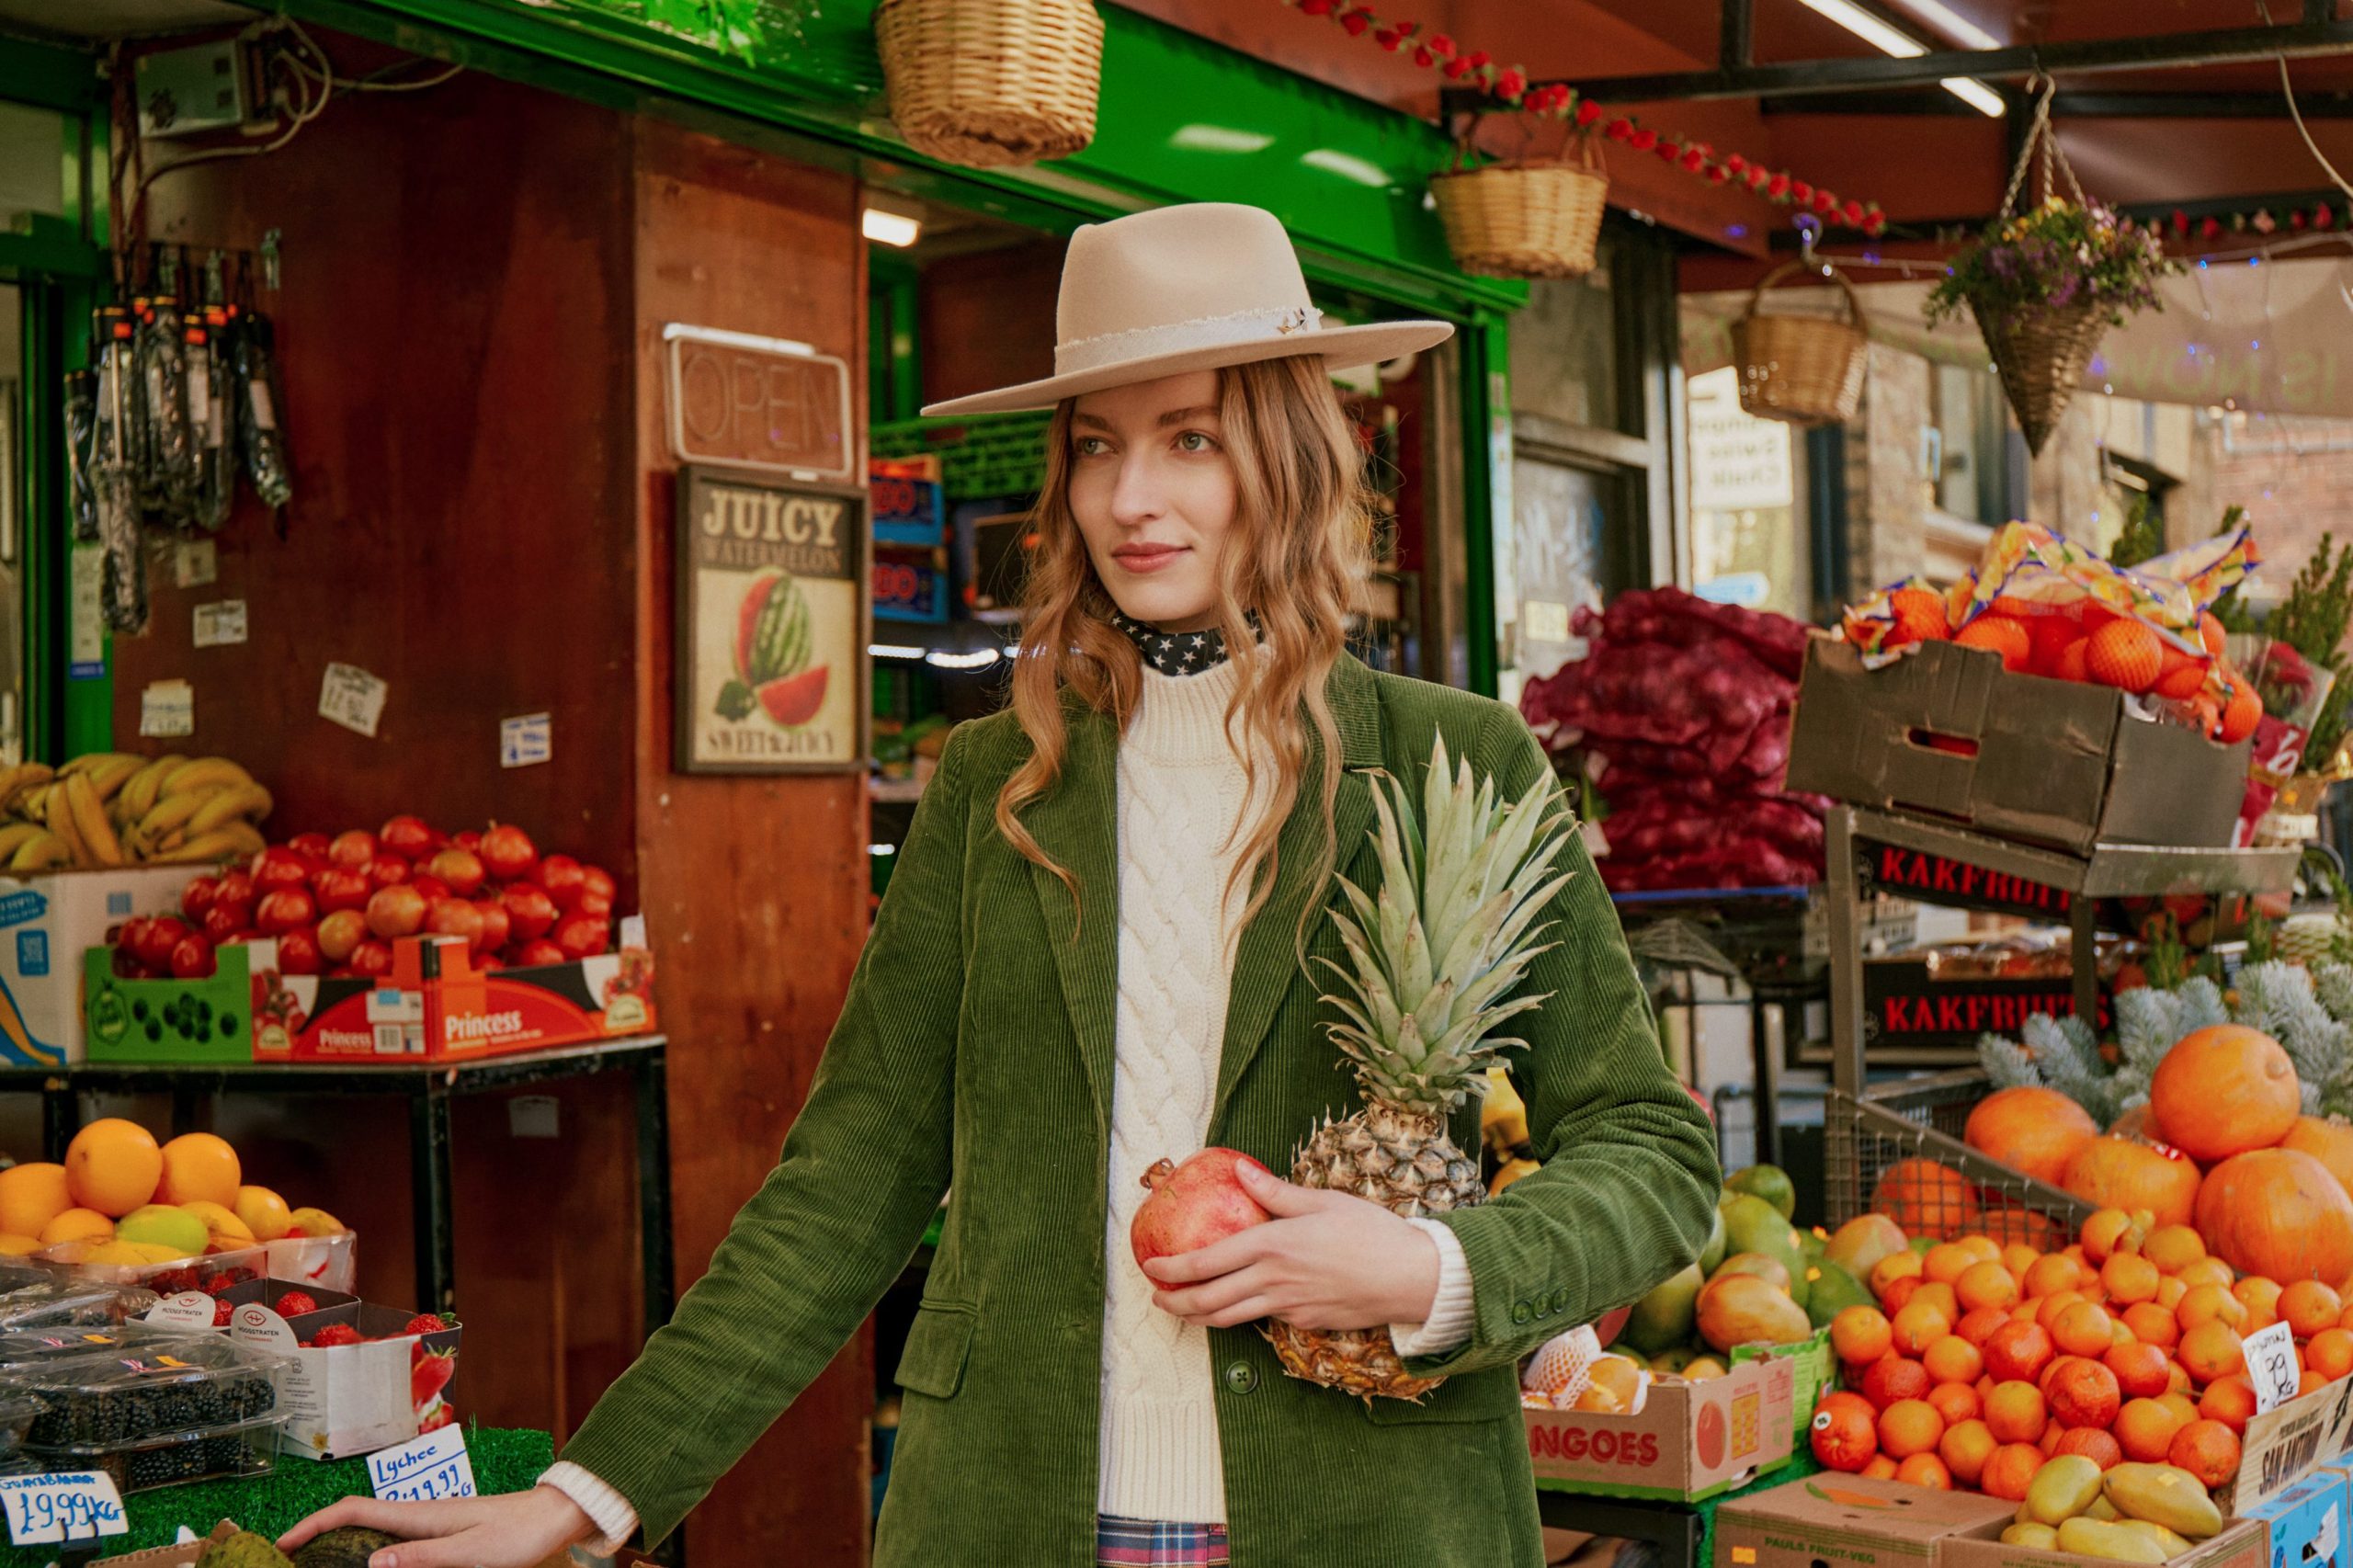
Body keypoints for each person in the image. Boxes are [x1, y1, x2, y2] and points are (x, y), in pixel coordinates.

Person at [283, 201, 1718, 1568]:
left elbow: (1653, 1152)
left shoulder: (1447, 765)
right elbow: (847, 1182)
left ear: (1285, 454)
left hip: (1374, 1508)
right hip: (1018, 1508)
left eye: (1191, 441)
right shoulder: (996, 786)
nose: (1130, 499)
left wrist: (1433, 1267)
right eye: (1097, 447)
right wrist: (590, 1491)